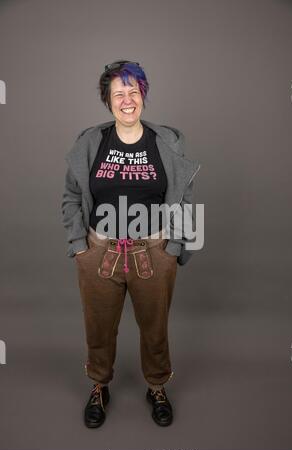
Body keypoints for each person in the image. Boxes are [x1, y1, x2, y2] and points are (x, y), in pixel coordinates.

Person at [61, 60, 200, 428]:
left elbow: (186, 199)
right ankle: (98, 386)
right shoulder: (90, 142)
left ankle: (156, 386)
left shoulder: (167, 141)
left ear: (143, 96)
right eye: (118, 93)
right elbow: (72, 196)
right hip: (98, 252)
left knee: (155, 328)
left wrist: (175, 249)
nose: (127, 100)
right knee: (99, 327)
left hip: (154, 252)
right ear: (108, 100)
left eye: (133, 91)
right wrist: (78, 245)